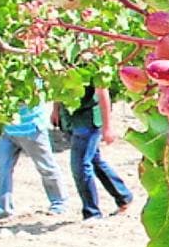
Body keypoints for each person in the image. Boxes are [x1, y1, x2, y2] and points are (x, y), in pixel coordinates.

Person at [56, 84, 132, 220]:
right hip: (71, 119)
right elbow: (57, 82)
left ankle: (92, 213)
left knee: (80, 166)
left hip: (88, 120)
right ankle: (124, 196)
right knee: (94, 160)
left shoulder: (91, 65)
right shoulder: (62, 62)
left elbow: (102, 93)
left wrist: (107, 127)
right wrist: (55, 109)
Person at [0, 97, 68, 220]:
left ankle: (59, 203)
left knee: (46, 167)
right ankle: (2, 208)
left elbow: (37, 93)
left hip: (32, 128)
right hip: (6, 128)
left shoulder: (35, 77)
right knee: (0, 167)